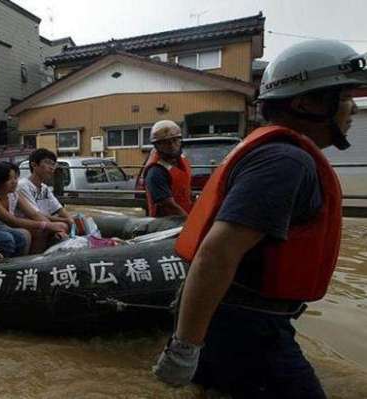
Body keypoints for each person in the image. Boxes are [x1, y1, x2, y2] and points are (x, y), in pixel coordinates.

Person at [153, 39, 366, 398]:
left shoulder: (275, 152)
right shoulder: (286, 161)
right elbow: (216, 253)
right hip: (247, 325)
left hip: (237, 317)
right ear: (307, 103)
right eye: (344, 98)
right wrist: (185, 347)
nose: (351, 110)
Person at [0, 161, 68, 255]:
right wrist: (47, 225)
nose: (14, 182)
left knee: (44, 230)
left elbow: (34, 214)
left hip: (9, 229)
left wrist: (54, 228)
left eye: (16, 178)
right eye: (9, 179)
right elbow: (12, 221)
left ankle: (36, 259)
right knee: (24, 234)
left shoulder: (14, 195)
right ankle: (20, 263)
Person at [142, 120, 193, 217]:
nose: (172, 146)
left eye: (175, 140)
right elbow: (169, 206)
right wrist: (189, 223)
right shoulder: (156, 171)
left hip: (184, 217)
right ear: (157, 145)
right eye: (166, 143)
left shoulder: (180, 160)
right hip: (167, 224)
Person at [17, 148, 74, 227]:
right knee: (63, 225)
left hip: (44, 223)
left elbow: (59, 209)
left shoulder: (45, 188)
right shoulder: (23, 186)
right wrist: (65, 221)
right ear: (34, 165)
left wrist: (70, 219)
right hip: (31, 224)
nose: (51, 168)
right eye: (47, 163)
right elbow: (35, 215)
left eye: (53, 164)